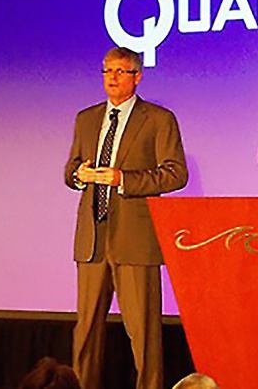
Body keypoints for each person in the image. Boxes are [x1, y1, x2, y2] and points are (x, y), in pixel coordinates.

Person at [64, 46, 188, 389]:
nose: (112, 78)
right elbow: (70, 169)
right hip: (93, 239)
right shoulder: (87, 119)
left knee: (143, 333)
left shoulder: (158, 119)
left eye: (120, 71)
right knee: (86, 331)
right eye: (107, 71)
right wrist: (79, 175)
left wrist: (124, 179)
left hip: (134, 239)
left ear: (137, 77)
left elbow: (176, 173)